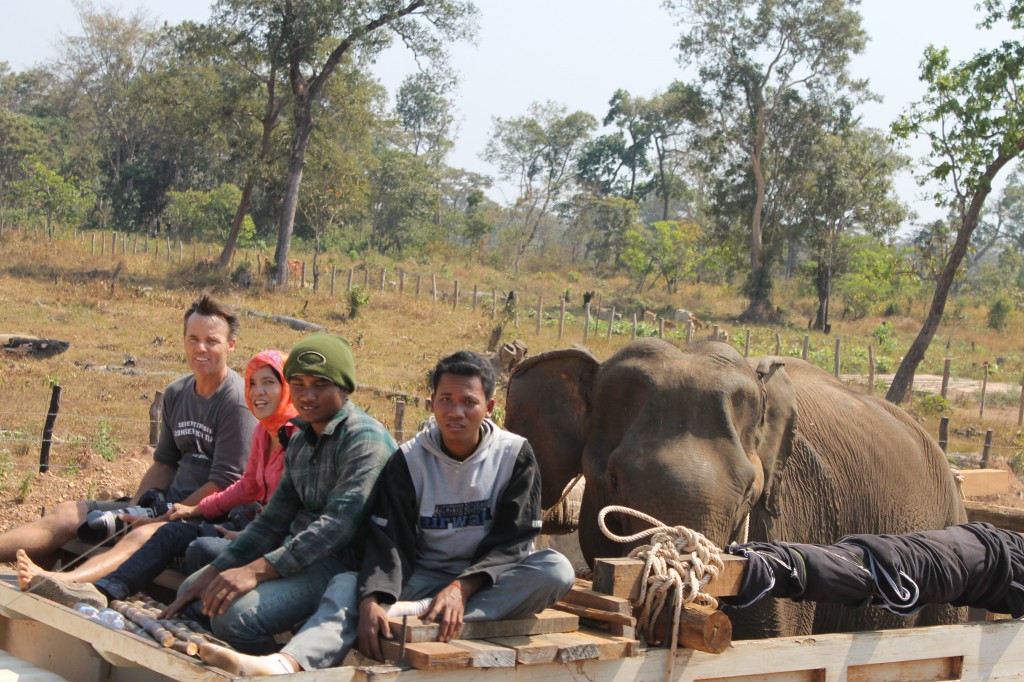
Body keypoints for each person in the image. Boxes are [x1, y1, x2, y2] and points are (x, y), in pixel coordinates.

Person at [197, 350, 575, 676]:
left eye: (468, 402)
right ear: (432, 402)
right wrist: (373, 598)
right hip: (423, 574)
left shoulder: (514, 454)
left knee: (556, 570)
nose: (456, 412)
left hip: (487, 578)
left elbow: (514, 540)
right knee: (346, 586)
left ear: (489, 407)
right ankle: (286, 664)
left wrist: (462, 588)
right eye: (446, 399)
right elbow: (389, 540)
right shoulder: (410, 459)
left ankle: (423, 617)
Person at [160, 332, 397, 660]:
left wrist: (255, 570)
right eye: (298, 384)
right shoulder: (301, 441)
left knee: (234, 618)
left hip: (343, 565)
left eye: (320, 385)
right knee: (193, 588)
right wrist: (220, 568)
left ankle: (272, 668)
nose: (307, 395)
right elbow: (272, 520)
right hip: (298, 555)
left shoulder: (363, 440)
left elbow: (336, 528)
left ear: (344, 388)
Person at [16, 349, 298, 607]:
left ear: (286, 388)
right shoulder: (264, 432)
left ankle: (66, 581)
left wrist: (245, 534)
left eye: (269, 383)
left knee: (195, 548)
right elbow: (246, 485)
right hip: (246, 522)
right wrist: (190, 509)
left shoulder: (294, 437)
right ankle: (102, 589)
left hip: (271, 536)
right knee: (163, 532)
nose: (259, 391)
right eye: (253, 383)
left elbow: (287, 506)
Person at [0, 293, 255, 573]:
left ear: (231, 345)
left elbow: (224, 483)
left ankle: (65, 583)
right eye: (193, 339)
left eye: (212, 341)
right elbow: (164, 464)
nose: (201, 348)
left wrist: (164, 518)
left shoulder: (236, 403)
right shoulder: (177, 392)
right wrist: (131, 510)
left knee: (138, 537)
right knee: (68, 514)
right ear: (183, 340)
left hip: (201, 515)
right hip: (165, 504)